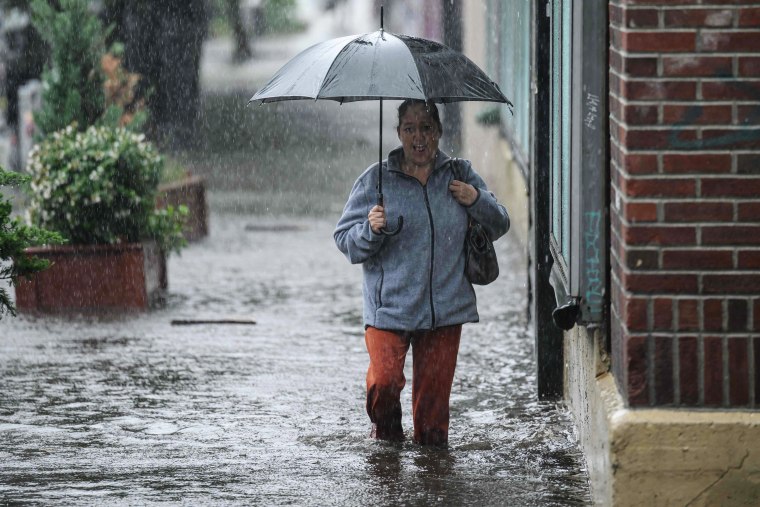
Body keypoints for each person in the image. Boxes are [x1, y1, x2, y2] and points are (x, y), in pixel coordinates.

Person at [334, 99, 510, 446]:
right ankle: (386, 447)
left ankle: (432, 485)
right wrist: (370, 229)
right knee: (383, 385)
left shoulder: (459, 174)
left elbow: (500, 222)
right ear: (398, 133)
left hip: (444, 311)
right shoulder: (376, 181)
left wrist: (475, 198)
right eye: (410, 129)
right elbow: (345, 240)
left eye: (426, 128)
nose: (418, 137)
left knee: (432, 428)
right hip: (390, 310)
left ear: (439, 132)